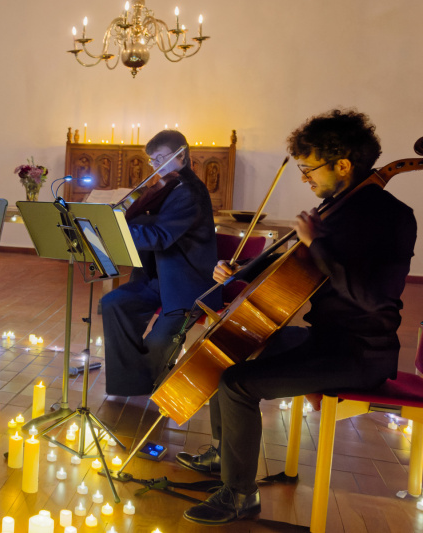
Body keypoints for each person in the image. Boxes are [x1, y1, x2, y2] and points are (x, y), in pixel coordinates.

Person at [179, 109, 417, 525]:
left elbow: (374, 298)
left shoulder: (391, 217)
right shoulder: (338, 207)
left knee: (237, 384)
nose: (305, 179)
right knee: (232, 348)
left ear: (343, 165)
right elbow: (295, 267)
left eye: (309, 169)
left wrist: (317, 243)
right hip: (324, 338)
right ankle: (224, 455)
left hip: (360, 353)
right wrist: (239, 272)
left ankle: (239, 495)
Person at [100, 130, 221, 396]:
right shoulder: (170, 186)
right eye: (152, 160)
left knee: (157, 344)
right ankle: (129, 384)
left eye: (161, 158)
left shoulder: (189, 191)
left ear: (182, 155)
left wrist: (115, 230)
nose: (155, 165)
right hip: (159, 279)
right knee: (114, 303)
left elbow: (161, 236)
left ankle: (150, 384)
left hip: (186, 283)